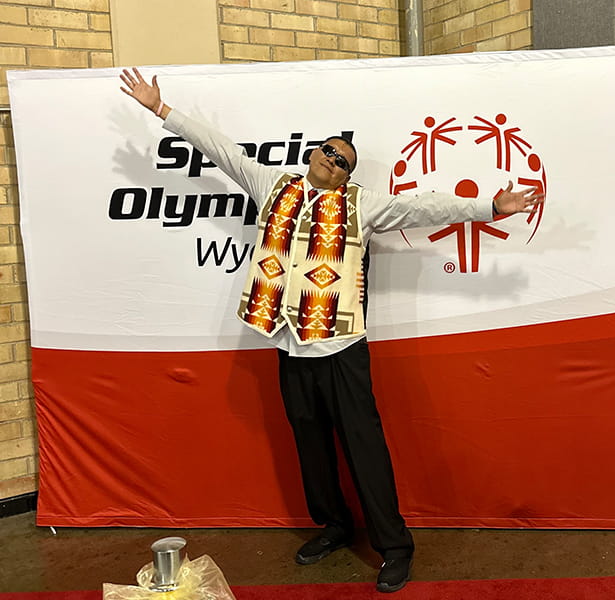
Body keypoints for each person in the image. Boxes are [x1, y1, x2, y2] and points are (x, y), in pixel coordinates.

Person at [120, 67, 543, 593]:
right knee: (311, 445)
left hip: (342, 348)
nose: (329, 158)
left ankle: (395, 547)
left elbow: (424, 205)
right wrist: (162, 110)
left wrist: (488, 207)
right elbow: (220, 149)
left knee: (364, 447)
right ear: (313, 154)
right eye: (325, 150)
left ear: (346, 174)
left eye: (340, 159)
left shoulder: (364, 205)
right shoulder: (271, 184)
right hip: (289, 342)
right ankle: (335, 526)